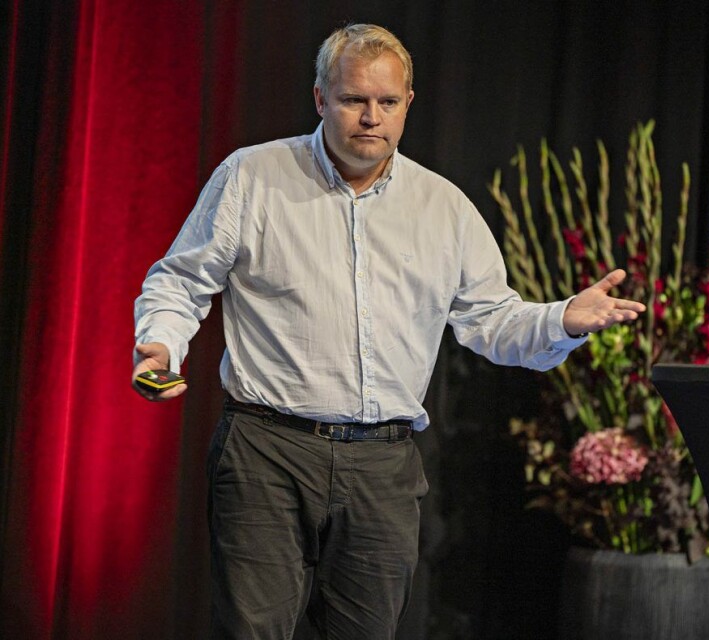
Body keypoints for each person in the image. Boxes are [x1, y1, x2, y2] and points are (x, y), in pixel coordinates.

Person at [132, 23, 644, 639]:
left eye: (387, 102)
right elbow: (182, 281)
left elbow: (492, 323)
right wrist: (159, 345)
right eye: (353, 100)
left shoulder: (444, 207)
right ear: (321, 98)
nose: (370, 117)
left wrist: (560, 317)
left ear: (408, 105)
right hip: (267, 451)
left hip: (383, 463)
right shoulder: (253, 176)